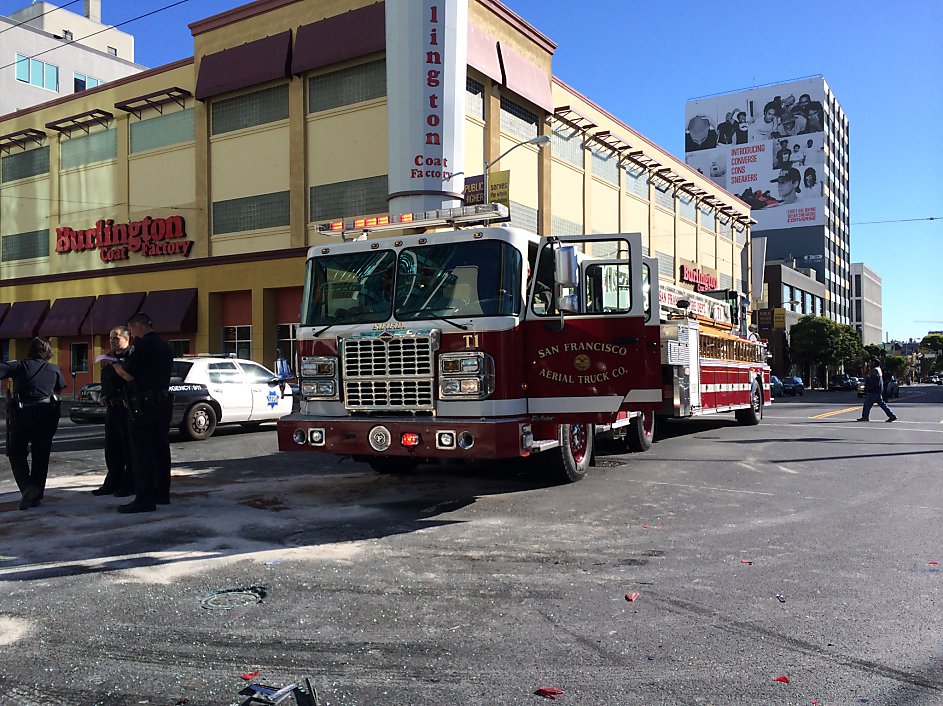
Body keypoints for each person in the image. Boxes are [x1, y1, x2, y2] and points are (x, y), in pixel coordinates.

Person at [109, 312, 173, 513]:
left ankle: (144, 498)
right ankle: (162, 493)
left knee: (141, 452)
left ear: (138, 326)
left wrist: (115, 365)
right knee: (161, 449)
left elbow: (129, 375)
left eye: (132, 329)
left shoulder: (142, 345)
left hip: (143, 405)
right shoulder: (165, 346)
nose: (132, 334)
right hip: (162, 403)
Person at [0, 337, 67, 510]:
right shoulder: (53, 368)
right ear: (49, 352)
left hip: (23, 415)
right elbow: (60, 388)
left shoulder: (20, 365)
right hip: (47, 415)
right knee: (41, 455)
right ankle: (36, 493)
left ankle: (28, 488)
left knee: (15, 451)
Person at [91, 326, 134, 497]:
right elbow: (106, 380)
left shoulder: (132, 356)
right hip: (112, 408)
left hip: (127, 408)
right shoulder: (109, 357)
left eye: (116, 338)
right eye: (110, 338)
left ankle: (130, 483)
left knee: (128, 448)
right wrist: (103, 395)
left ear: (126, 338)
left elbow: (131, 378)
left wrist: (115, 364)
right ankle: (112, 482)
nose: (112, 341)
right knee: (112, 448)